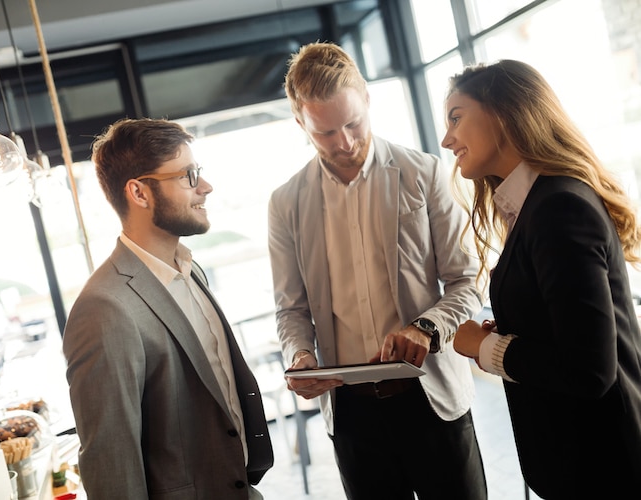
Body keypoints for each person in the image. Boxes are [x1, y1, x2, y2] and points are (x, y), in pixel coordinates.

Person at [268, 41, 487, 500]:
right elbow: (291, 310)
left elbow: (467, 280)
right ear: (300, 123)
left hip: (433, 399)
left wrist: (427, 327)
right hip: (352, 417)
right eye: (325, 133)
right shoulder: (286, 203)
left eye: (352, 123)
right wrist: (300, 358)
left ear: (367, 99)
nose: (344, 142)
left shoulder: (424, 173)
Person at [443, 59, 641, 499]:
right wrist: (515, 335)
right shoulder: (536, 206)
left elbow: (590, 371)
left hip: (605, 468)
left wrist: (482, 345)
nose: (447, 139)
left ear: (503, 111)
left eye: (456, 118)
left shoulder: (557, 208)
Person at [63, 118, 274, 499]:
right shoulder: (104, 309)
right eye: (188, 175)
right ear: (139, 193)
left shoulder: (192, 270)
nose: (205, 187)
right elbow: (112, 465)